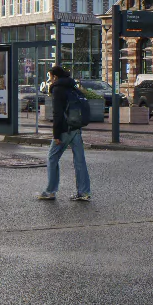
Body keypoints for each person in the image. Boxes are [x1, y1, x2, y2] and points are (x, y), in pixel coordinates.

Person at [39, 66, 90, 203]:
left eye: (50, 76)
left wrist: (56, 135)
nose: (49, 79)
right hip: (76, 127)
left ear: (55, 76)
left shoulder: (57, 89)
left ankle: (50, 191)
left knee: (52, 157)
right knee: (79, 160)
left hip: (64, 130)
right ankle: (84, 192)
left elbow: (57, 113)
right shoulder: (71, 86)